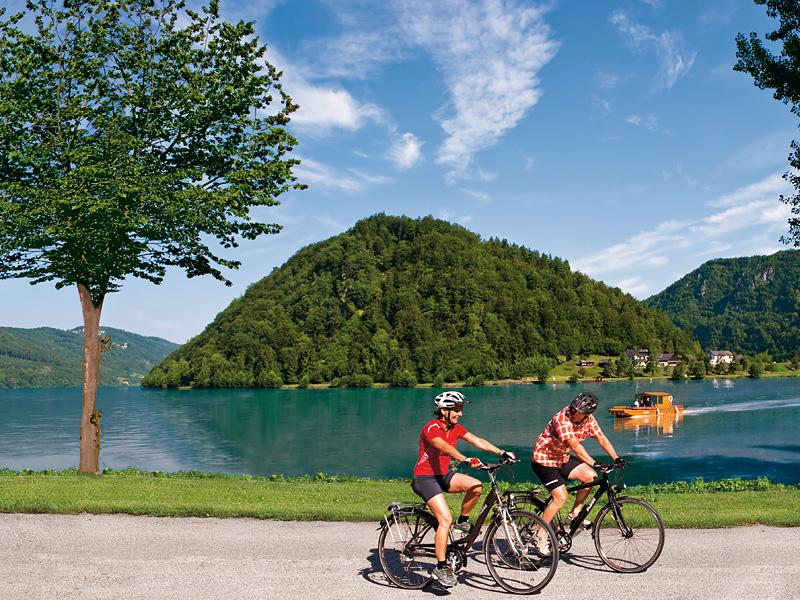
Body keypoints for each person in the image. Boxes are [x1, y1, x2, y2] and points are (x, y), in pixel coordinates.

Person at [412, 390, 515, 588]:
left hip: (443, 475)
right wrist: (465, 459)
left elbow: (477, 440)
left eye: (461, 409)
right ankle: (441, 567)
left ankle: (463, 521)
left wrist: (502, 452)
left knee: (475, 486)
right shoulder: (431, 427)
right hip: (425, 478)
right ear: (444, 410)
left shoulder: (455, 428)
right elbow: (442, 446)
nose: (460, 413)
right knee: (445, 520)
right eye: (457, 409)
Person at [530, 391, 624, 554]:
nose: (574, 412)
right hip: (544, 460)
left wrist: (616, 458)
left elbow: (602, 438)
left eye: (578, 411)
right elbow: (574, 445)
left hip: (562, 458)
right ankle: (540, 535)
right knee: (561, 497)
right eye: (574, 408)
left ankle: (574, 514)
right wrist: (594, 462)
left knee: (591, 477)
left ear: (587, 413)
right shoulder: (562, 418)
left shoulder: (589, 420)